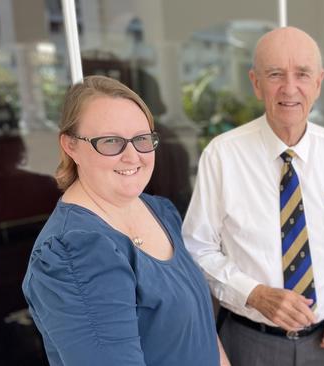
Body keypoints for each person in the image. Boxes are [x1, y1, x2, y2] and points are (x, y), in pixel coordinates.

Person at [183, 27, 324, 366]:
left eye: (302, 74)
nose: (289, 88)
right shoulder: (222, 155)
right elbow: (197, 247)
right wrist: (254, 293)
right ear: (255, 83)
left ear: (318, 82)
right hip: (250, 343)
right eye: (275, 75)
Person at [22, 75, 228, 366]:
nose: (133, 156)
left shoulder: (160, 211)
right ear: (71, 146)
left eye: (142, 140)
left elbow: (201, 328)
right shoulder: (72, 253)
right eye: (110, 142)